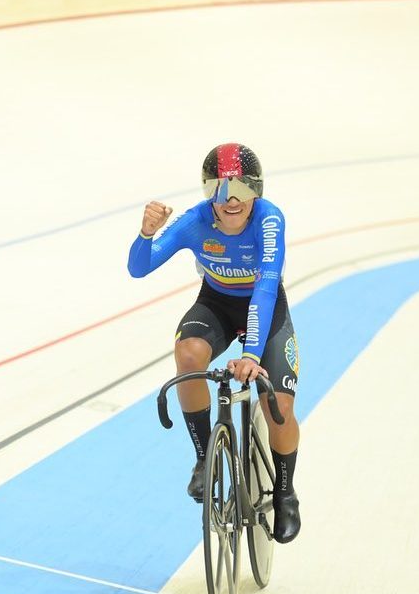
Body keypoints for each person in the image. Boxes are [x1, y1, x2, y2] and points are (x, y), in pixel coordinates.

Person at [127, 143, 301, 543]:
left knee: (280, 408)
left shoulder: (269, 221)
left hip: (265, 306)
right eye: (220, 191)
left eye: (241, 189)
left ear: (257, 191)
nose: (232, 200)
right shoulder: (195, 221)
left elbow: (266, 287)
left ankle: (286, 493)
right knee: (188, 354)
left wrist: (251, 355)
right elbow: (140, 268)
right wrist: (145, 234)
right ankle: (205, 458)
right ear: (208, 194)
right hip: (217, 304)